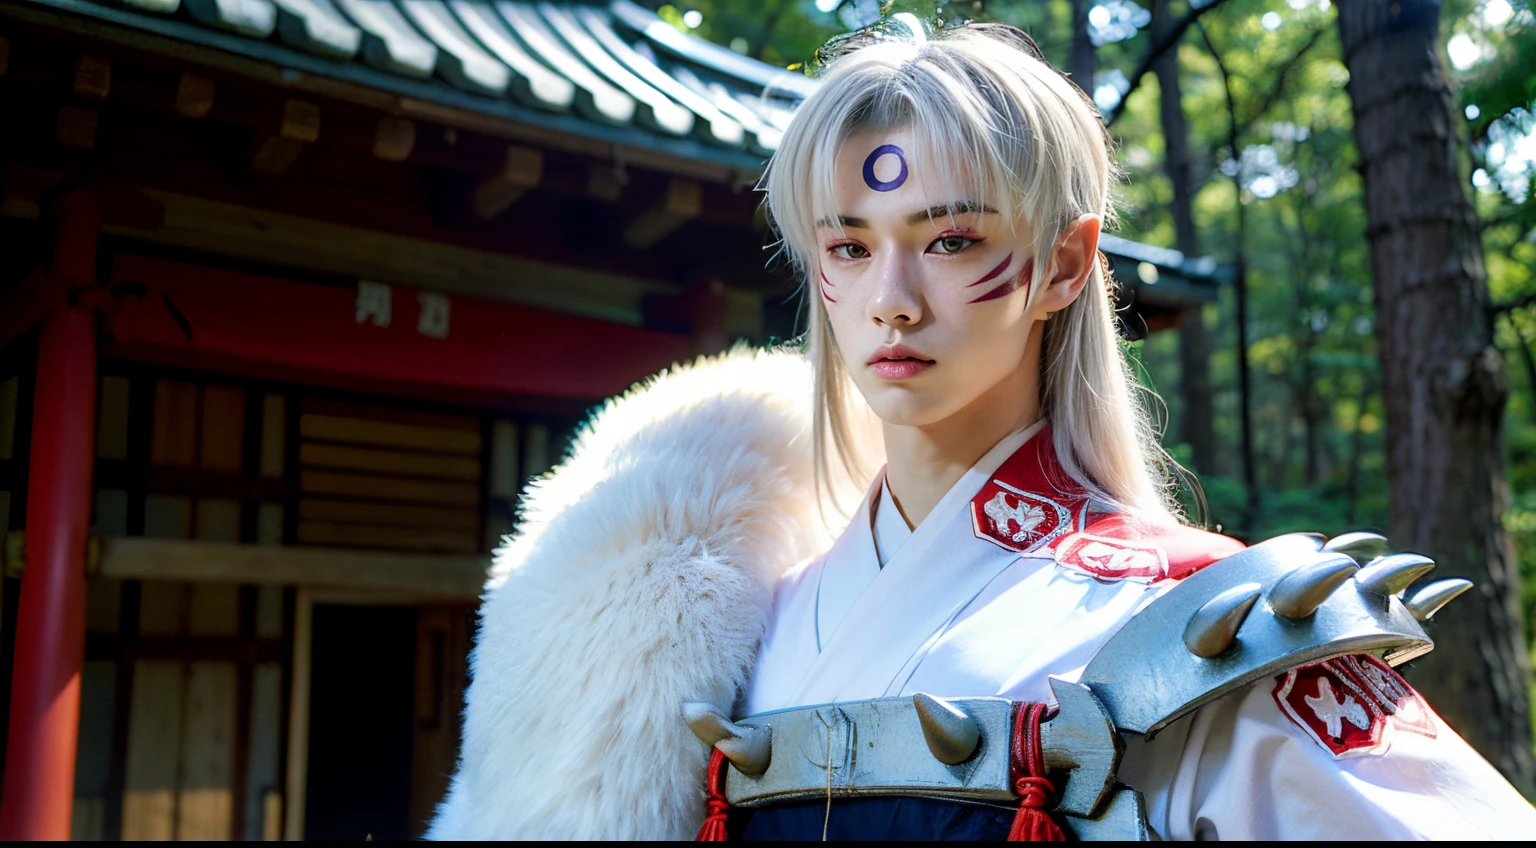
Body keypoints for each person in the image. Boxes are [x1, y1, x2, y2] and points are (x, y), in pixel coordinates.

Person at [425, 18, 1536, 841]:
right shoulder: (744, 626)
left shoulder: (1195, 628)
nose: (891, 300)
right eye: (850, 246)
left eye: (949, 240)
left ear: (1061, 261)